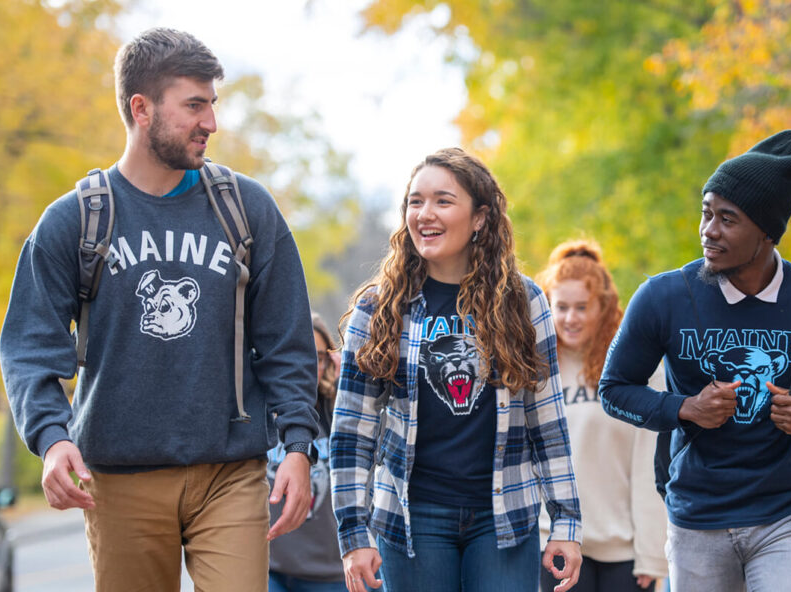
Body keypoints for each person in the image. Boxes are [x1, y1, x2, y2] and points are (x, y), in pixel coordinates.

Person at [0, 27, 320, 592]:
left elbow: (287, 342)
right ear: (141, 108)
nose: (211, 123)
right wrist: (52, 439)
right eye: (194, 105)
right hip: (120, 477)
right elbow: (29, 346)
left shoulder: (247, 210)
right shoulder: (75, 220)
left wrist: (299, 447)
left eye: (212, 105)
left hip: (231, 472)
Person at [597, 130, 791, 592]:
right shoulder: (665, 297)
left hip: (785, 513)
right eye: (706, 213)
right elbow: (614, 390)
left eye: (727, 218)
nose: (709, 230)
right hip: (696, 517)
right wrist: (685, 408)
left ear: (766, 231)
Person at [332, 147, 583, 592]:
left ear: (480, 218)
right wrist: (354, 533)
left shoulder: (524, 303)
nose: (425, 214)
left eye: (443, 201)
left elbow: (545, 417)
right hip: (412, 519)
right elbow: (353, 428)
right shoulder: (378, 308)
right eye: (415, 201)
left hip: (503, 514)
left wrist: (566, 519)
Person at [534, 241, 669, 592]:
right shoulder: (534, 370)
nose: (570, 318)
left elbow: (649, 464)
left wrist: (652, 553)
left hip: (623, 552)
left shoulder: (637, 369)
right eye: (561, 307)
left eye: (582, 307)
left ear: (604, 307)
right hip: (555, 543)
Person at [267, 313, 347, 591]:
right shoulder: (258, 412)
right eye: (298, 354)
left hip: (332, 574)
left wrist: (346, 382)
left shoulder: (339, 409)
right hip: (270, 570)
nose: (308, 365)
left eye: (318, 356)